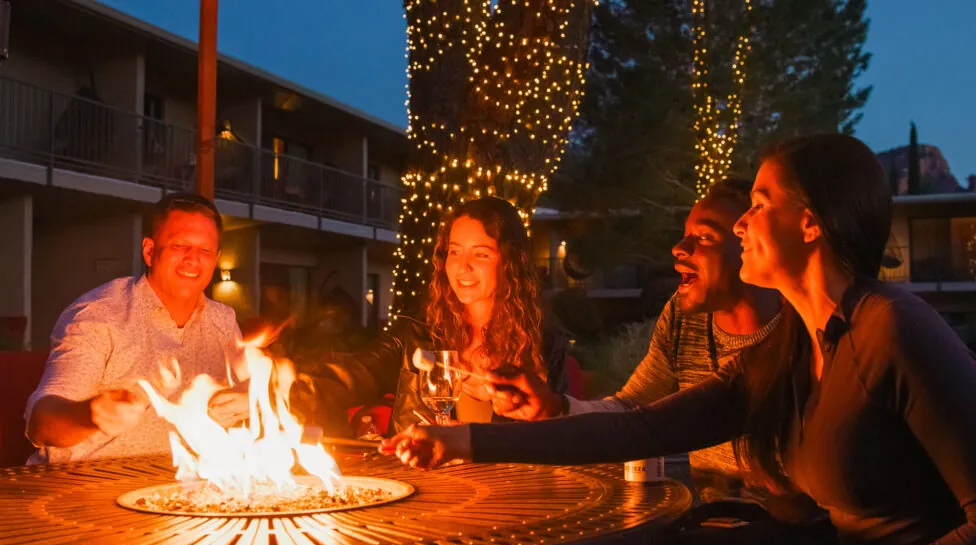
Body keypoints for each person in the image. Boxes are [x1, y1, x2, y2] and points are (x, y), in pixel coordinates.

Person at [382, 134, 976, 545]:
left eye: (759, 206)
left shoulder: (893, 326)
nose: (744, 223)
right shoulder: (794, 343)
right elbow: (645, 425)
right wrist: (465, 439)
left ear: (810, 224)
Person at [293, 196, 568, 437]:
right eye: (455, 252)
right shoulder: (417, 333)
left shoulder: (542, 344)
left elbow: (555, 436)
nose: (463, 267)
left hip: (507, 492)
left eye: (481, 254)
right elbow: (352, 376)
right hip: (420, 487)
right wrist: (284, 384)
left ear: (510, 261)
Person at [24, 193, 248, 464]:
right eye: (179, 245)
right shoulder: (100, 314)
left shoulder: (222, 321)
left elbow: (247, 399)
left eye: (205, 250)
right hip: (83, 487)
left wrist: (249, 401)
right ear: (150, 251)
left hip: (185, 489)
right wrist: (92, 415)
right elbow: (42, 424)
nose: (193, 259)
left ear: (216, 258)